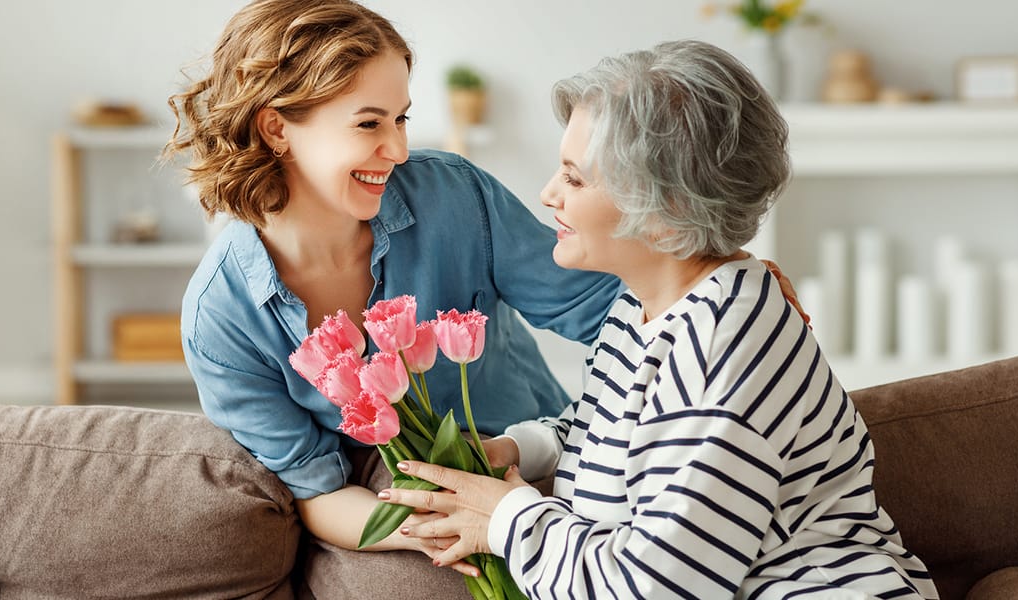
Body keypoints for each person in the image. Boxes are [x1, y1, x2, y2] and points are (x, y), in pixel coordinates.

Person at [384, 40, 940, 599]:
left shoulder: (724, 349)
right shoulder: (642, 302)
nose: (549, 193)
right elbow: (615, 426)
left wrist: (507, 519)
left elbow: (657, 588)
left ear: (666, 215)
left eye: (575, 179)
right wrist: (520, 450)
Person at [162, 0, 622, 576]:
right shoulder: (222, 318)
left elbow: (613, 311)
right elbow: (316, 489)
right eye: (369, 123)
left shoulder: (455, 197)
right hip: (391, 498)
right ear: (276, 126)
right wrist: (441, 527)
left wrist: (717, 282)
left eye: (400, 118)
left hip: (536, 459)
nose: (398, 150)